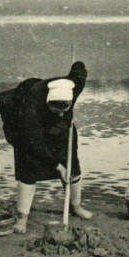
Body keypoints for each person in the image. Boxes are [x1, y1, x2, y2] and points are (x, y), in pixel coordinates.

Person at [11, 61, 92, 233]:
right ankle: (22, 217)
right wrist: (58, 167)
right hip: (31, 134)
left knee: (72, 167)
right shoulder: (31, 107)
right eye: (57, 109)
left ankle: (75, 206)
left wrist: (78, 65)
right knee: (28, 168)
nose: (62, 113)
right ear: (48, 102)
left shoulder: (73, 87)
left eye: (66, 108)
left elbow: (79, 71)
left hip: (62, 130)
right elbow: (35, 144)